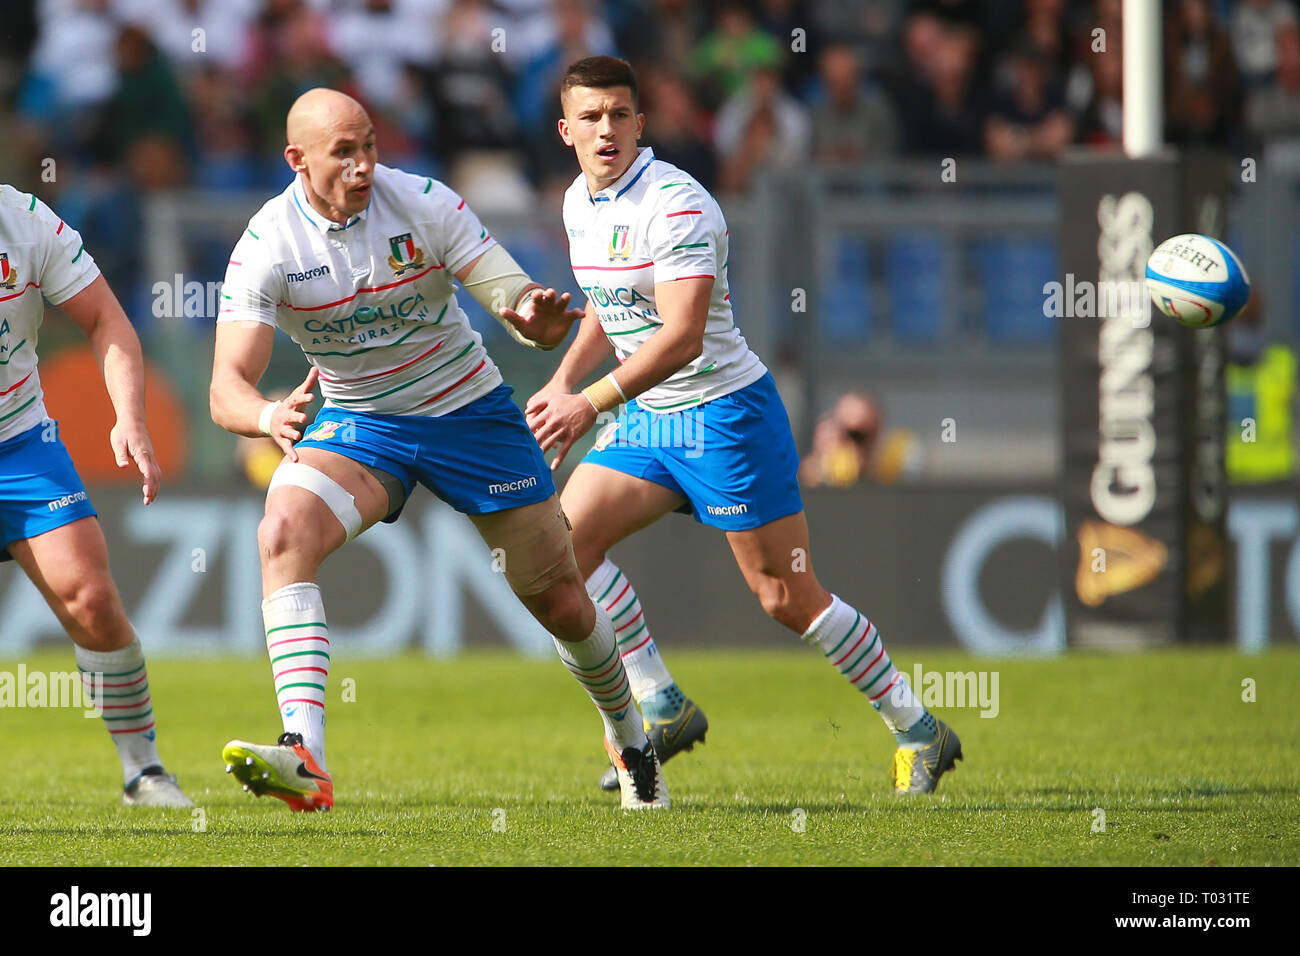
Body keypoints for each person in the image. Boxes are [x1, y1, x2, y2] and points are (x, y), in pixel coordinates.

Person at [209, 88, 667, 811]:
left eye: (369, 146)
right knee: (283, 529)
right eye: (343, 153)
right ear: (296, 160)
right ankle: (306, 754)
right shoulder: (267, 245)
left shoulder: (424, 203)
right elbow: (224, 389)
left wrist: (539, 323)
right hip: (361, 423)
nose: (363, 165)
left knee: (562, 601)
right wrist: (266, 416)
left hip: (469, 413)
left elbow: (517, 303)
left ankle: (630, 735)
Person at [527, 56, 962, 797]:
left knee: (786, 598)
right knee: (560, 550)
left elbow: (682, 335)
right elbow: (608, 299)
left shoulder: (677, 202)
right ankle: (662, 705)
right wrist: (564, 378)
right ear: (567, 130)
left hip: (723, 415)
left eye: (620, 114)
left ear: (641, 122)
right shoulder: (579, 203)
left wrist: (587, 402)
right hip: (648, 418)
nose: (607, 129)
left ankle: (920, 728)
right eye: (591, 117)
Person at [0, 184, 191, 807]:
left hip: (20, 442)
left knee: (91, 598)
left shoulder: (24, 220)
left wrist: (128, 416)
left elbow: (105, 316)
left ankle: (145, 772)